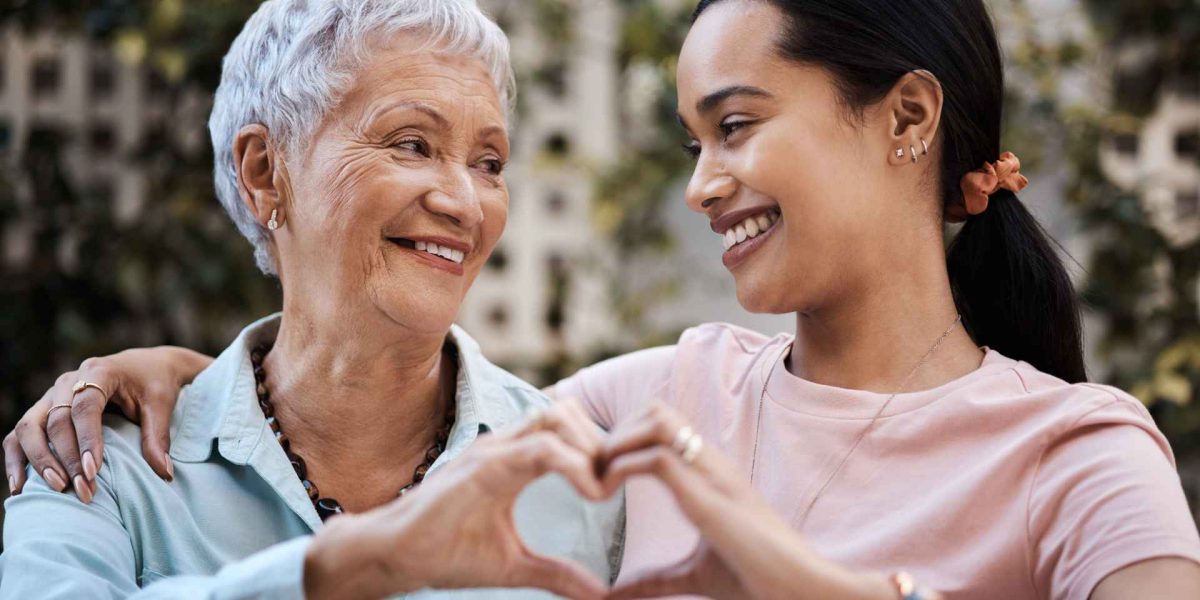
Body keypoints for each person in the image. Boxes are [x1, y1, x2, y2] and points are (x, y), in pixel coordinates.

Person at [9, 0, 1200, 598]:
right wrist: (174, 378)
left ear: (909, 120)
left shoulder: (1083, 456)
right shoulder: (649, 407)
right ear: (266, 171)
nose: (702, 184)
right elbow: (354, 387)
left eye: (736, 125)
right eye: (694, 139)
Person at [0, 1, 623, 598]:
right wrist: (346, 569)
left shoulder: (587, 481)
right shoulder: (95, 462)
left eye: (488, 163)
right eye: (411, 144)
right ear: (265, 173)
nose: (465, 204)